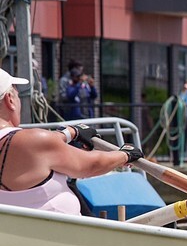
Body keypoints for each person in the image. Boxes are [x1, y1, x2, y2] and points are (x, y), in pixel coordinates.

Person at [0, 69, 143, 215]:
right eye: (17, 95)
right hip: (56, 234)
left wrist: (70, 132)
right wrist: (125, 155)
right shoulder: (31, 142)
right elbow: (90, 165)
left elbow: (40, 146)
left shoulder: (28, 143)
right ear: (10, 99)